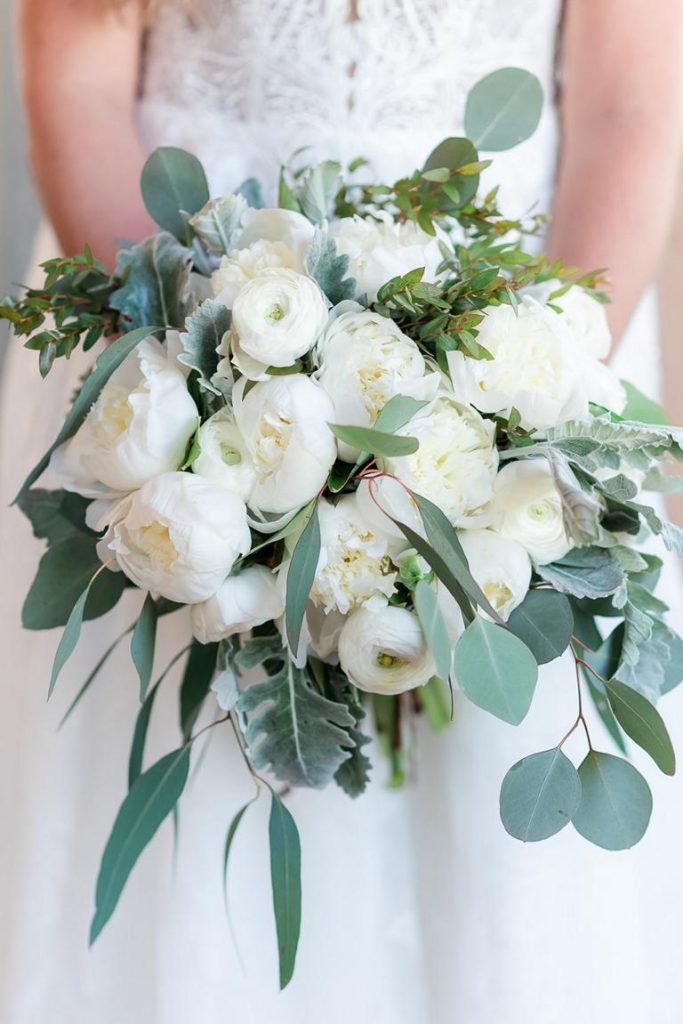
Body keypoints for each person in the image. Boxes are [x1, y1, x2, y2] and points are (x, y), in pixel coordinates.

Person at [1, 2, 682, 1021]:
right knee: (198, 860)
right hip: (171, 353)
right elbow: (82, 85)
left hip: (522, 340)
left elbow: (628, 105)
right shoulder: (189, 398)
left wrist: (503, 429)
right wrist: (209, 417)